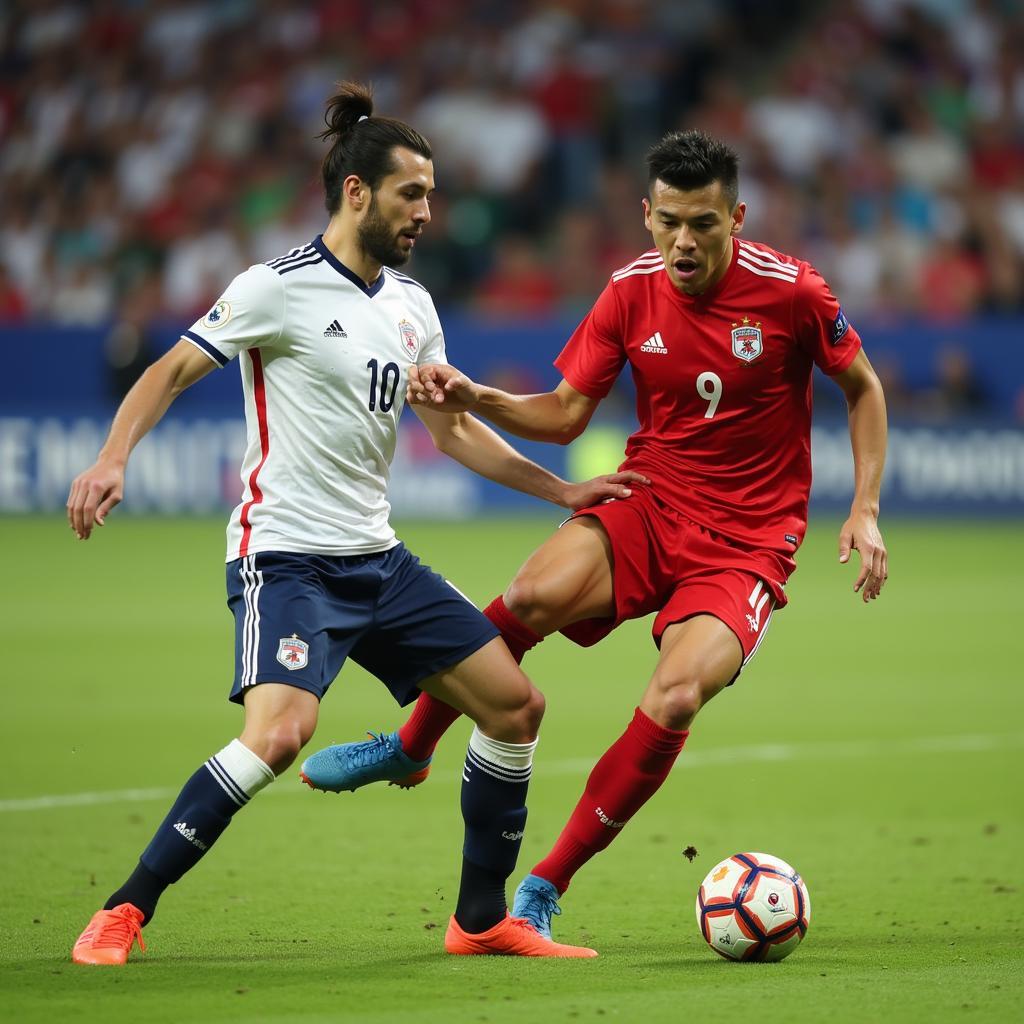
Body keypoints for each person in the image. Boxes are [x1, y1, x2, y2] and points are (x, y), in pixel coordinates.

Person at [65, 82, 650, 965]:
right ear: (356, 192)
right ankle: (124, 909)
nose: (426, 211)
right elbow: (168, 373)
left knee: (515, 706)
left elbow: (453, 431)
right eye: (412, 193)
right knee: (279, 733)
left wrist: (561, 492)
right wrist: (113, 458)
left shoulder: (413, 306)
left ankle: (481, 921)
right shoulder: (276, 288)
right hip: (287, 560)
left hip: (377, 561)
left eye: (431, 194)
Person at [300, 128, 889, 948]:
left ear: (737, 218)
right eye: (670, 222)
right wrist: (480, 396)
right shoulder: (628, 291)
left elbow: (862, 388)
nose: (685, 242)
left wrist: (862, 506)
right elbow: (566, 411)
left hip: (749, 541)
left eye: (705, 225)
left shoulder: (794, 293)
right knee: (534, 593)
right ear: (647, 215)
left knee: (678, 694)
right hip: (651, 501)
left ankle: (546, 882)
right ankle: (411, 745)